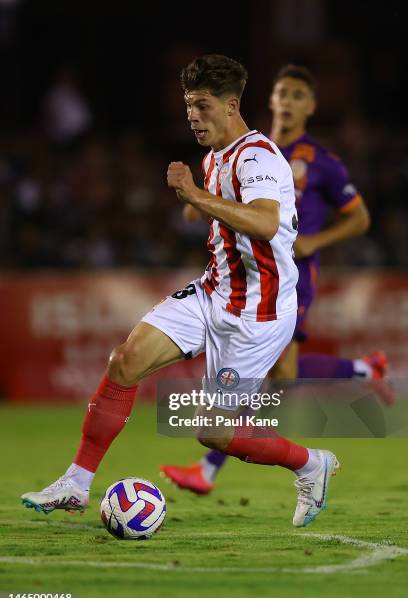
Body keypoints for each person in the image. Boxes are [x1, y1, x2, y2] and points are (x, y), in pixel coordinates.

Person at [21, 55, 339, 528]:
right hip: (212, 292)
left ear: (232, 105)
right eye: (189, 105)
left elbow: (267, 222)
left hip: (259, 315)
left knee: (213, 432)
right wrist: (199, 201)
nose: (192, 115)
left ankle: (312, 464)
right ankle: (76, 482)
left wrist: (195, 197)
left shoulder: (259, 156)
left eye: (202, 105)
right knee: (124, 360)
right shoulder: (214, 158)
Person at [161, 64, 392, 496]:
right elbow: (206, 204)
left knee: (279, 373)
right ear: (269, 100)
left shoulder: (321, 162)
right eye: (281, 93)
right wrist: (200, 198)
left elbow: (360, 218)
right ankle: (364, 370)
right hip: (242, 276)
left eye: (297, 95)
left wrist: (315, 241)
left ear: (311, 106)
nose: (286, 102)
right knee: (276, 375)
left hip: (292, 275)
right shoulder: (238, 147)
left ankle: (211, 466)